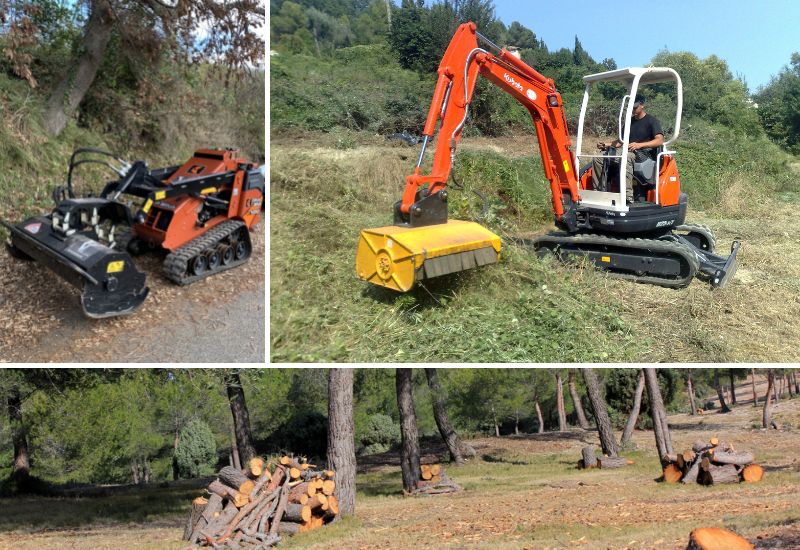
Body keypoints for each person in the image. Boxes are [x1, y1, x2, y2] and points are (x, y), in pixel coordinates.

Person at [591, 94, 664, 202]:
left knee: (626, 157)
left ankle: (627, 197)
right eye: (631, 107)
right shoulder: (630, 122)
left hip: (645, 154)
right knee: (598, 158)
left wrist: (639, 145)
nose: (633, 109)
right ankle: (599, 192)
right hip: (629, 151)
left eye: (635, 107)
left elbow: (659, 140)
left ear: (642, 105)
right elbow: (620, 142)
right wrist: (606, 144)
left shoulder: (652, 121)